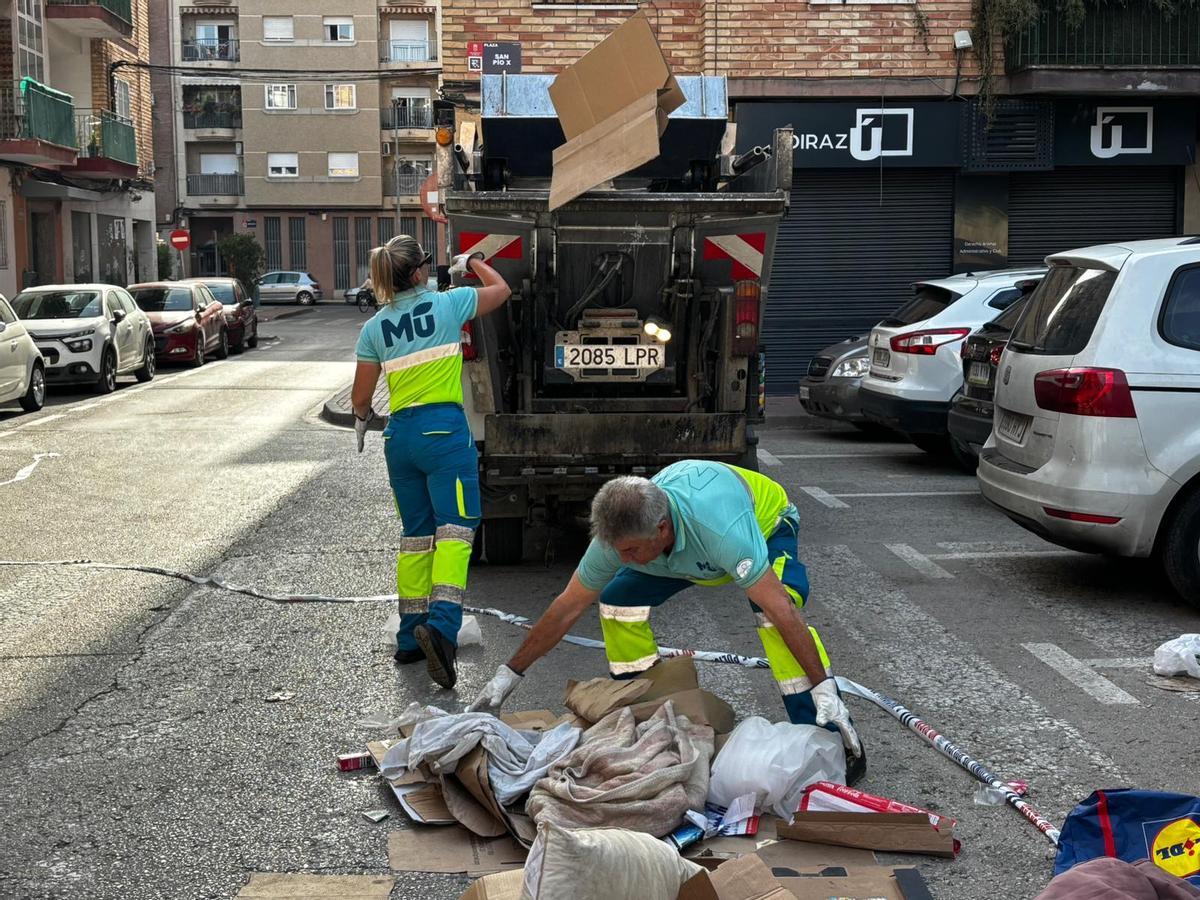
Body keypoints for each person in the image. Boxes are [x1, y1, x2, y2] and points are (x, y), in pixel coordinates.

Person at [469, 459, 865, 781]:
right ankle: (647, 711)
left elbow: (783, 610)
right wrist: (505, 679)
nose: (621, 559)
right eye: (617, 550)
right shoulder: (623, 538)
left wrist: (823, 687)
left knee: (771, 613)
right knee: (618, 598)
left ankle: (828, 736)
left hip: (765, 527)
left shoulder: (722, 530)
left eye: (630, 550)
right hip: (684, 555)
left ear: (660, 529)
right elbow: (565, 609)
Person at [352, 235, 511, 688]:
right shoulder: (449, 304)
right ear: (420, 272)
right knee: (457, 529)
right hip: (443, 433)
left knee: (416, 536)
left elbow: (361, 398)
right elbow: (502, 292)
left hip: (399, 438)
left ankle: (409, 636)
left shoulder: (375, 328)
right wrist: (474, 262)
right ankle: (441, 630)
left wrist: (365, 420)